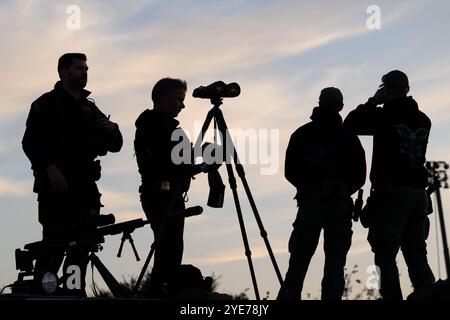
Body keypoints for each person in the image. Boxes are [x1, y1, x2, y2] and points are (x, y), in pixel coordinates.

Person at [22, 53, 123, 296]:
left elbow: (116, 144)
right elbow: (30, 142)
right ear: (63, 71)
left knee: (82, 247)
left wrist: (113, 129)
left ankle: (73, 294)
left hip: (85, 188)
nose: (84, 72)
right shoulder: (45, 104)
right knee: (54, 248)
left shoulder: (88, 107)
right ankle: (42, 295)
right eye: (79, 68)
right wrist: (51, 169)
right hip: (56, 189)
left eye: (86, 68)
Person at [344, 70, 435, 300]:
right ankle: (430, 294)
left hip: (393, 192)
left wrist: (374, 101)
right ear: (407, 88)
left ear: (386, 89)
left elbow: (351, 123)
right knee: (416, 253)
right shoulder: (424, 119)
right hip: (419, 194)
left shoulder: (384, 116)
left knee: (384, 253)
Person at [277, 87, 366, 300]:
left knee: (298, 262)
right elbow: (360, 175)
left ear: (319, 102)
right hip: (337, 206)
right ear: (340, 106)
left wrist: (309, 188)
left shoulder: (302, 134)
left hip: (311, 204)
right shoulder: (349, 137)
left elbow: (291, 171)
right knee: (334, 265)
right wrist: (342, 190)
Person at [134, 77, 193, 298]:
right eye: (179, 99)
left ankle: (163, 290)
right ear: (166, 97)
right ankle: (159, 292)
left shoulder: (166, 127)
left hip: (169, 194)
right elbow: (162, 162)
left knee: (171, 246)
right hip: (161, 194)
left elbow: (179, 162)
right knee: (168, 245)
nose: (182, 105)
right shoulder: (153, 125)